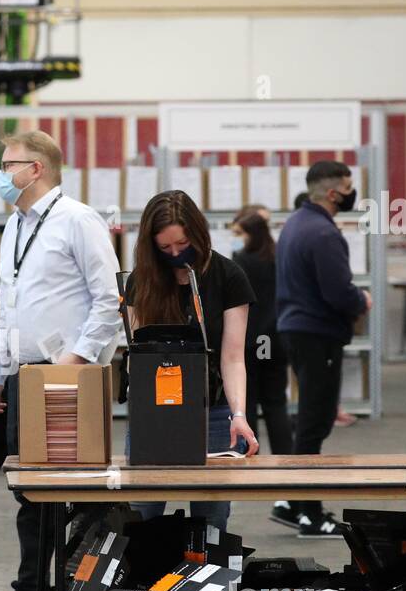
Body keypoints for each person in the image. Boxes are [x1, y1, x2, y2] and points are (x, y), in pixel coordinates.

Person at [0, 130, 120, 591]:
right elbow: (8, 306)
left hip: (69, 376)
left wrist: (74, 362)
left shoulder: (77, 221)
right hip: (25, 377)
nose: (1, 173)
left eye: (8, 163)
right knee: (29, 491)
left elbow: (109, 301)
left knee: (75, 494)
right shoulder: (14, 227)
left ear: (36, 169)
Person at [123, 190, 260, 524]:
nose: (175, 254)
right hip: (155, 415)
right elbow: (136, 356)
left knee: (211, 521)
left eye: (183, 245)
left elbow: (232, 357)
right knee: (140, 519)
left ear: (198, 233)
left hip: (213, 413)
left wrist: (238, 414)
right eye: (165, 248)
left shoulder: (228, 277)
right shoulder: (141, 281)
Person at [272, 161, 372, 538]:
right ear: (333, 193)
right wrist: (361, 299)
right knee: (315, 422)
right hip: (317, 334)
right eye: (348, 186)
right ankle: (309, 513)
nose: (352, 192)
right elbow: (337, 291)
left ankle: (291, 501)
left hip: (297, 331)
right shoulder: (324, 234)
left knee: (312, 418)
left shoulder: (296, 223)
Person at [231, 209, 292, 455]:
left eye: (238, 233)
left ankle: (250, 455)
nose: (235, 238)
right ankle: (285, 458)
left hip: (250, 341)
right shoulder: (279, 258)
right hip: (275, 340)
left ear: (251, 234)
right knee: (276, 404)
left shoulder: (240, 261)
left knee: (249, 404)